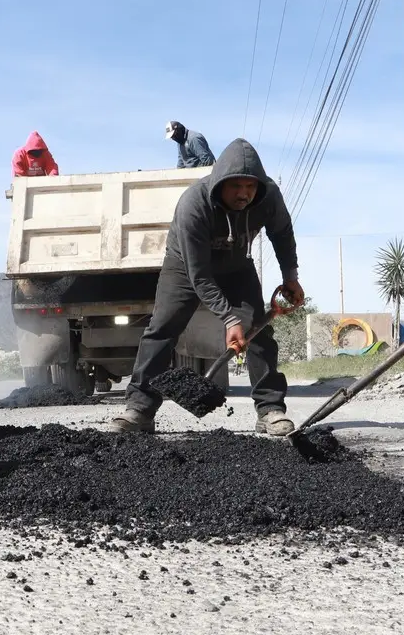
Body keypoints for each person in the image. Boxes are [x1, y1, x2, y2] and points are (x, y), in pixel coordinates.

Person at [111, 138, 304, 436]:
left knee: (259, 332)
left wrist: (290, 276)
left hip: (237, 265)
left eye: (250, 187)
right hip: (185, 268)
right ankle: (139, 409)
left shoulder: (269, 197)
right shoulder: (193, 204)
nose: (244, 194)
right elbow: (199, 275)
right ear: (220, 183)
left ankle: (270, 410)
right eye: (236, 187)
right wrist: (229, 319)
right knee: (162, 329)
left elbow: (282, 234)